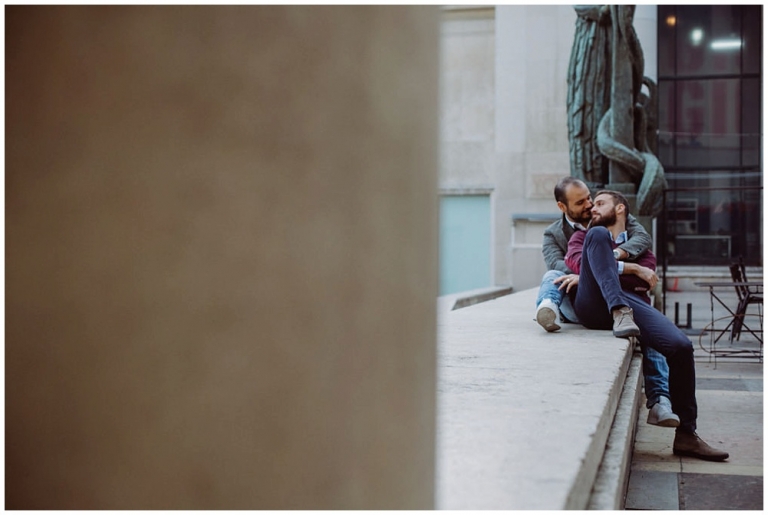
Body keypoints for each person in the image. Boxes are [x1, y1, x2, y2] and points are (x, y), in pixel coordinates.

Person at [562, 189, 728, 461]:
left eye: (600, 203)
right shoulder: (585, 235)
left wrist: (607, 267)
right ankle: (618, 311)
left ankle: (686, 435)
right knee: (598, 235)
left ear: (620, 209)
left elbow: (646, 279)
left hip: (630, 300)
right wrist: (629, 269)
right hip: (593, 303)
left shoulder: (640, 244)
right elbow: (578, 264)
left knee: (681, 346)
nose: (593, 207)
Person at [535, 176, 679, 428]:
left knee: (653, 332)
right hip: (580, 297)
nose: (590, 205)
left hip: (616, 296)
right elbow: (562, 265)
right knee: (553, 275)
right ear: (563, 207)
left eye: (592, 199)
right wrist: (624, 268)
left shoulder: (615, 222)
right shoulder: (558, 234)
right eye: (582, 202)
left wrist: (609, 261)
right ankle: (547, 307)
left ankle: (661, 402)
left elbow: (643, 246)